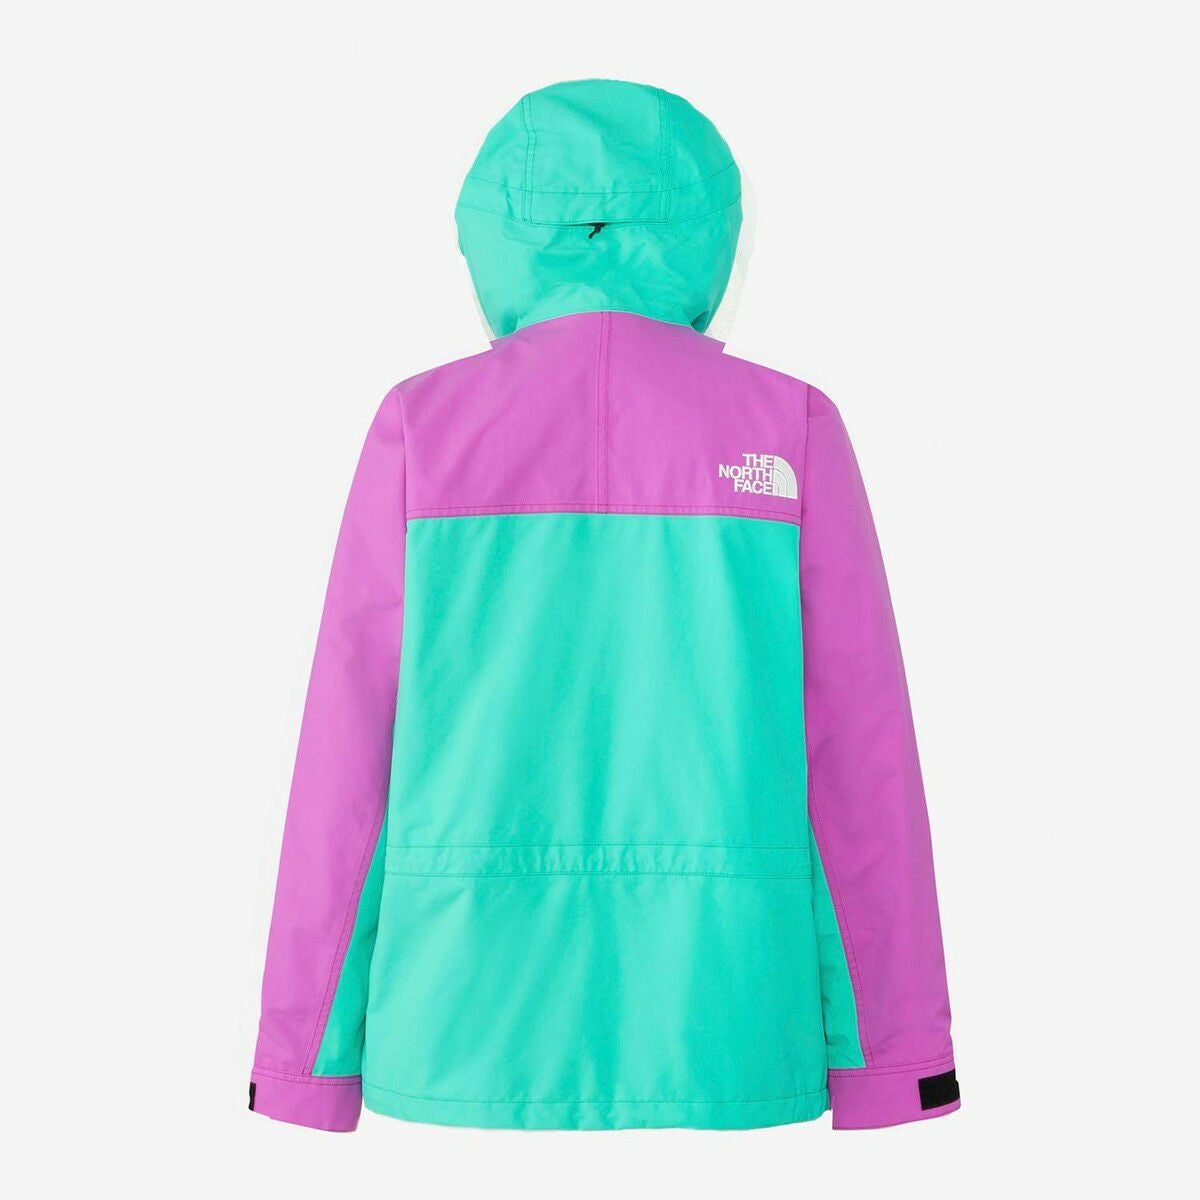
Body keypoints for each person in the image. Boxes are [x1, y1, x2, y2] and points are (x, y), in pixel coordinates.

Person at [249, 78, 959, 1132]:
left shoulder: (423, 429)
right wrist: (895, 1066)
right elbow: (861, 772)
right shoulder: (790, 426)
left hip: (463, 1017)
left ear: (496, 230)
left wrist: (303, 1065)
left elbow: (346, 770)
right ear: (707, 229)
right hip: (721, 1015)